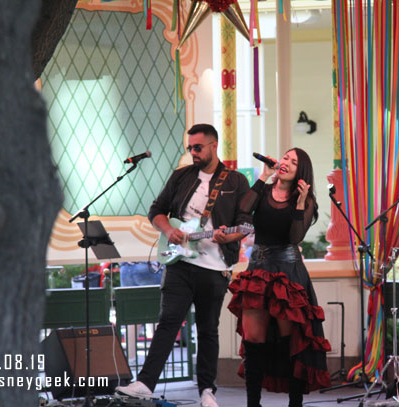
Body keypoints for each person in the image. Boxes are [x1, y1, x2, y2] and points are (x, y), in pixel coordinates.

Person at [116, 124, 251, 407]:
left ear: (214, 145)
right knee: (167, 323)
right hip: (178, 262)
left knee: (207, 330)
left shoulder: (236, 181)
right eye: (190, 147)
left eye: (198, 147)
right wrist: (168, 230)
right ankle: (145, 384)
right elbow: (156, 210)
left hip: (215, 267)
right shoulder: (181, 176)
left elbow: (246, 224)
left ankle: (207, 391)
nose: (193, 152)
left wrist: (230, 235)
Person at [227, 148, 331, 407]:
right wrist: (263, 177)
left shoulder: (306, 201)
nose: (285, 162)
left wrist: (299, 203)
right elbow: (243, 209)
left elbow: (295, 238)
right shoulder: (263, 189)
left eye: (293, 162)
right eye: (285, 157)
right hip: (258, 269)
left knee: (290, 341)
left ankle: (294, 403)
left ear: (301, 172)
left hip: (287, 272)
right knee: (253, 339)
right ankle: (253, 404)